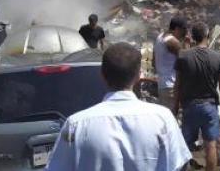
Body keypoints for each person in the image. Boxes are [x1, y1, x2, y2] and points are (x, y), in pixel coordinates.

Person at [47, 42, 191, 171]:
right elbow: (179, 164)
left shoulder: (76, 125)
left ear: (102, 75)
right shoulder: (163, 118)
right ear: (138, 75)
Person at [172, 22, 220, 171]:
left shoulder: (183, 56)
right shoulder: (218, 57)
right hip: (209, 107)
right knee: (210, 146)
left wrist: (175, 107)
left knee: (184, 146)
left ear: (192, 37)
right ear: (207, 36)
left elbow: (177, 85)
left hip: (189, 107)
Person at [153, 16, 188, 110]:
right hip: (172, 86)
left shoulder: (159, 38)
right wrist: (186, 43)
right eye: (183, 31)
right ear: (177, 29)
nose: (184, 34)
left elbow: (153, 63)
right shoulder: (172, 42)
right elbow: (186, 60)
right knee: (173, 115)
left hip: (163, 85)